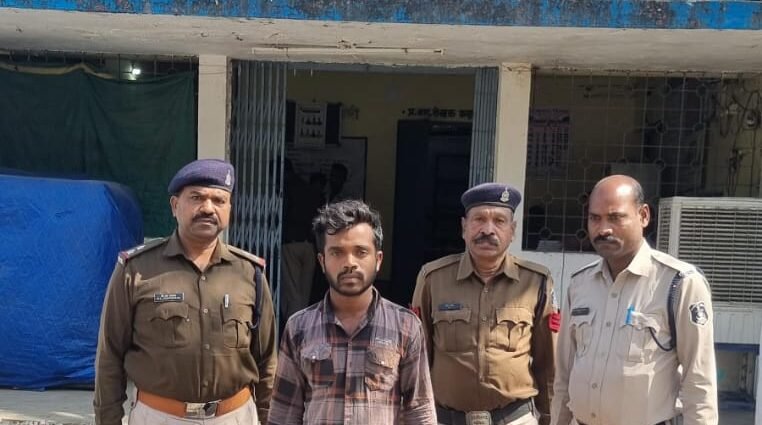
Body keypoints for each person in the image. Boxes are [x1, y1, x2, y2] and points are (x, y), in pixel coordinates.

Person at [94, 159, 277, 425]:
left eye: (219, 200)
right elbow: (110, 355)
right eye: (196, 197)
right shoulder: (136, 270)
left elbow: (267, 361)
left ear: (229, 209)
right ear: (174, 206)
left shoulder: (250, 273)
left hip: (234, 417)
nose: (208, 208)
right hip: (159, 417)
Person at [550, 175, 718, 425]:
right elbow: (564, 376)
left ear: (643, 216)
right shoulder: (580, 284)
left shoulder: (679, 284)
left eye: (615, 217)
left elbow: (699, 383)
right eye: (595, 218)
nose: (603, 229)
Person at [268, 199, 437, 425]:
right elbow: (283, 414)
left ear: (378, 260)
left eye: (360, 252)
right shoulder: (299, 327)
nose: (349, 263)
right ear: (322, 261)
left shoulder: (406, 326)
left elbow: (420, 412)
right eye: (337, 252)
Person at [412, 182, 558, 425]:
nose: (488, 230)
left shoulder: (536, 281)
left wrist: (550, 418)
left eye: (499, 221)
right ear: (464, 227)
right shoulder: (433, 279)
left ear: (512, 230)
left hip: (515, 420)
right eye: (479, 219)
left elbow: (548, 364)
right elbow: (418, 357)